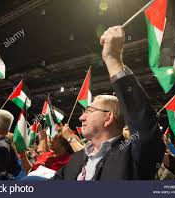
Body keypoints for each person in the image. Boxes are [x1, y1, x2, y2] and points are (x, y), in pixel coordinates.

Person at [53, 26, 165, 180]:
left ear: (108, 118)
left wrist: (113, 59)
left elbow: (143, 125)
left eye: (88, 111)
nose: (81, 118)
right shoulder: (76, 159)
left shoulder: (133, 157)